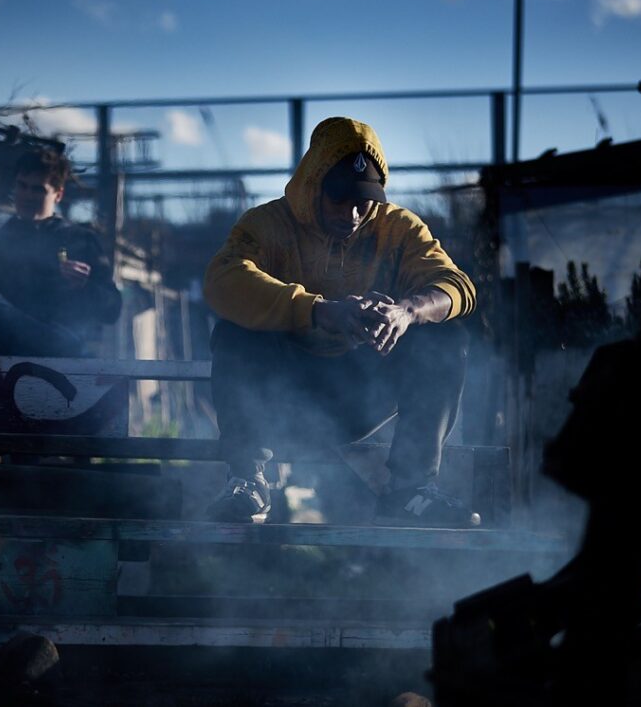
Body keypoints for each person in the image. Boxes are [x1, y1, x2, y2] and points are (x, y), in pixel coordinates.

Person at [203, 116, 479, 527]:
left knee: (445, 335)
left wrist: (407, 312)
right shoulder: (267, 225)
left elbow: (458, 285)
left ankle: (409, 492)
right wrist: (318, 309)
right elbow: (221, 280)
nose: (352, 212)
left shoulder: (398, 228)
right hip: (284, 399)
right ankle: (248, 480)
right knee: (234, 331)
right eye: (338, 198)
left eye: (363, 200)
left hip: (362, 395)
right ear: (312, 184)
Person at [0, 148, 121, 357]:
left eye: (38, 190)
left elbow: (112, 309)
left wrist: (84, 286)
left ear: (58, 194)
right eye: (22, 186)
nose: (28, 195)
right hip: (7, 360)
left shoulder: (81, 241)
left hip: (58, 355)